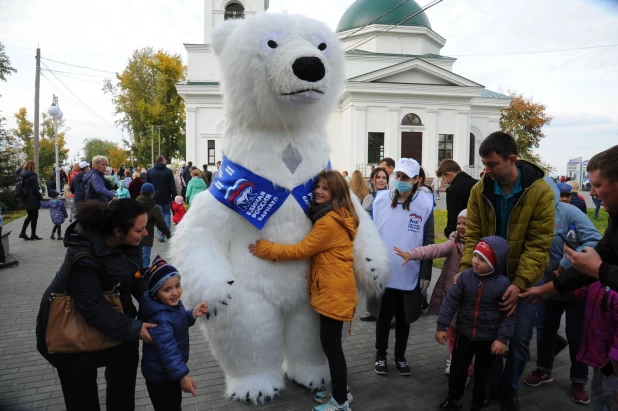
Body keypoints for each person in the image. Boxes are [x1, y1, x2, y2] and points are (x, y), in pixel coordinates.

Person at [249, 170, 357, 411]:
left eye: (325, 188)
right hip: (336, 288)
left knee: (332, 347)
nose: (318, 191)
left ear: (336, 193)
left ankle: (340, 401)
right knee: (331, 345)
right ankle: (341, 390)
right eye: (317, 186)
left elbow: (301, 250)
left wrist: (266, 249)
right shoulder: (336, 214)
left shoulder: (329, 221)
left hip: (334, 291)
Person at [463, 132, 555, 411]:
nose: (486, 170)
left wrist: (519, 284)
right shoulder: (480, 189)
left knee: (518, 338)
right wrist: (468, 271)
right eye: (484, 164)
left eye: (491, 164)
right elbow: (473, 236)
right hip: (488, 279)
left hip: (524, 281)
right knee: (490, 336)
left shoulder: (540, 192)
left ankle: (510, 387)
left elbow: (539, 245)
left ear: (511, 160)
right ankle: (493, 381)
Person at [35, 199, 157, 411]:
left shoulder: (130, 243)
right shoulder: (83, 255)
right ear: (118, 231)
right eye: (140, 229)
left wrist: (155, 302)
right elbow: (92, 307)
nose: (145, 233)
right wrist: (133, 327)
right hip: (71, 327)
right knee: (82, 400)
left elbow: (135, 277)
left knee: (123, 392)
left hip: (116, 317)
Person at [522, 177, 600, 404]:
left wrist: (566, 265)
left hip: (577, 288)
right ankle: (543, 370)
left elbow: (596, 240)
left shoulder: (568, 212)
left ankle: (579, 380)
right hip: (547, 288)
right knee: (545, 330)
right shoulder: (530, 215)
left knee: (577, 335)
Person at [519, 144, 618, 297]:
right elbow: (600, 253)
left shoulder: (569, 211)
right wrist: (544, 290)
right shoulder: (614, 218)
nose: (592, 193)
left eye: (597, 185)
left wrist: (598, 268)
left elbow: (594, 256)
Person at [436, 237, 515, 411]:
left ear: (495, 263)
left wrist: (502, 339)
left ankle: (477, 403)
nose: (475, 262)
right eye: (475, 256)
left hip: (488, 339)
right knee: (457, 370)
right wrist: (442, 326)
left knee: (483, 375)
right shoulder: (465, 277)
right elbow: (450, 302)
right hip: (464, 334)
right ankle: (454, 399)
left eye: (482, 259)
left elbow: (509, 315)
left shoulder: (503, 284)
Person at [372, 158, 433, 377]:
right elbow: (368, 234)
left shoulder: (425, 203)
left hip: (409, 273)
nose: (400, 180)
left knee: (404, 320)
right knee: (383, 317)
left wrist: (426, 272)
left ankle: (400, 357)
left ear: (416, 180)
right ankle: (380, 355)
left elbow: (428, 239)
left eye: (405, 177)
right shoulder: (379, 200)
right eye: (397, 176)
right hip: (385, 273)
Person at [395, 209, 468, 375]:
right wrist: (411, 254)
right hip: (452, 296)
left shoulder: (477, 247)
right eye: (459, 223)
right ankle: (452, 358)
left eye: (465, 223)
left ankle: (466, 366)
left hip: (469, 299)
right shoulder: (453, 244)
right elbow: (433, 249)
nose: (461, 227)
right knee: (451, 332)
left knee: (465, 334)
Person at [139, 256, 208, 411]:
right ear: (155, 293)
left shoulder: (170, 307)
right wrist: (183, 376)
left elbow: (179, 322)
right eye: (167, 289)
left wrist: (192, 314)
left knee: (174, 404)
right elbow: (168, 351)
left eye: (177, 286)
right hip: (161, 377)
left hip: (170, 373)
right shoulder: (161, 318)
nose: (175, 293)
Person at [567, 280, 618, 411]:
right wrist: (563, 280)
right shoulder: (597, 280)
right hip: (600, 356)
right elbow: (579, 291)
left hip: (613, 362)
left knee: (611, 395)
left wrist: (615, 357)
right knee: (597, 389)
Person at [360, 167, 390, 322]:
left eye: (384, 178)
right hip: (372, 241)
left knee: (386, 278)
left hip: (388, 242)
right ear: (372, 180)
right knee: (372, 274)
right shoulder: (369, 197)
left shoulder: (392, 198)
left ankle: (386, 314)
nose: (381, 180)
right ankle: (372, 311)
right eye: (378, 177)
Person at [437, 159, 478, 238]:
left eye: (444, 179)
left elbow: (453, 216)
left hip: (461, 235)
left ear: (449, 174)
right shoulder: (477, 184)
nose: (446, 182)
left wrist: (449, 233)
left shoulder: (453, 190)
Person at [137, 183, 172, 268]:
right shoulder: (154, 208)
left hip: (133, 237)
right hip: (147, 238)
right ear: (153, 194)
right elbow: (160, 222)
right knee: (145, 262)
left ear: (140, 192)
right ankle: (143, 279)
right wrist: (166, 232)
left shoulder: (134, 204)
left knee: (135, 261)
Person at [417, 167, 436, 311]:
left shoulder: (425, 197)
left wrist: (426, 272)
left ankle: (421, 299)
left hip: (420, 247)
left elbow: (428, 235)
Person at [146, 155, 177, 243]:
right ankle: (167, 232)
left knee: (159, 216)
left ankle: (160, 235)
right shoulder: (168, 172)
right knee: (167, 214)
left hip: (154, 197)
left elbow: (147, 185)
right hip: (166, 196)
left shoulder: (150, 172)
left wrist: (148, 196)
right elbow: (172, 185)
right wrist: (174, 196)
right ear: (162, 161)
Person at [18, 160, 44, 241]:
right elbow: (35, 189)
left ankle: (24, 233)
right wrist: (40, 197)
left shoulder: (22, 174)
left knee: (30, 216)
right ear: (33, 166)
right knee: (34, 216)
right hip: (32, 198)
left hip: (25, 197)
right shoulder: (33, 175)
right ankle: (32, 234)